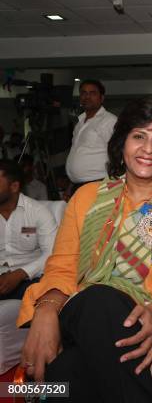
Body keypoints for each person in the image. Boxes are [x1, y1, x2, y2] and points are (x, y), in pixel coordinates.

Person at [18, 97, 152, 401]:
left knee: (65, 372)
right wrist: (46, 311)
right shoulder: (87, 197)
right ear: (122, 142)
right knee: (99, 298)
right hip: (82, 313)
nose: (147, 149)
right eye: (138, 136)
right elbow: (62, 267)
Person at [0, 160, 57, 373]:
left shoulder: (37, 212)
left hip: (31, 279)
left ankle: (43, 370)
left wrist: (20, 273)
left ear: (14, 186)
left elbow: (52, 253)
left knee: (48, 296)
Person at [65, 79, 117, 188]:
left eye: (92, 93)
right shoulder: (79, 122)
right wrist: (70, 187)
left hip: (99, 183)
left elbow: (118, 153)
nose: (87, 97)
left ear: (101, 98)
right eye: (84, 93)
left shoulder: (109, 121)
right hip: (77, 185)